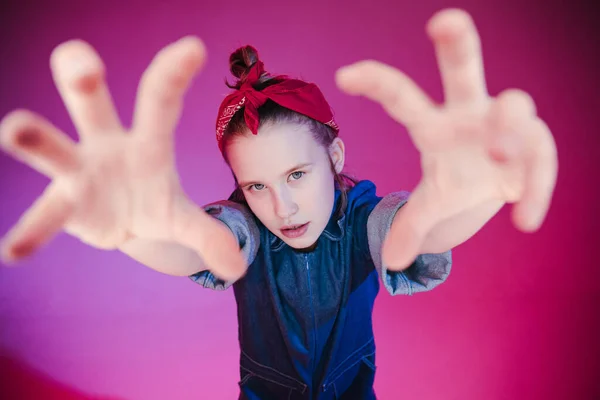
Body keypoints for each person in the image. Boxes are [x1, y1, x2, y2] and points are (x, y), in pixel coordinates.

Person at [0, 8, 557, 400]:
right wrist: (130, 232)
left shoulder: (362, 216)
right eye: (257, 186)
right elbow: (199, 247)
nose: (282, 206)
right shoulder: (242, 226)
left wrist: (482, 193)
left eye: (296, 174)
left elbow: (419, 229)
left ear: (334, 155)